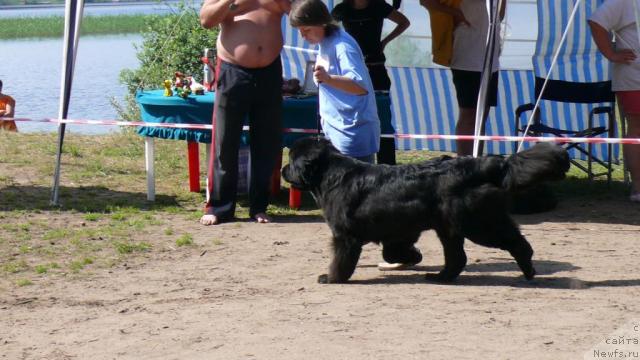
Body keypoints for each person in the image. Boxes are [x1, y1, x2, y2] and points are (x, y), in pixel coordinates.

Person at [199, 0, 291, 225]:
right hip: (232, 71)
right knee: (225, 140)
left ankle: (259, 206)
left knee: (266, 142)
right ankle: (219, 207)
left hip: (270, 71)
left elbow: (302, 15)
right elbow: (206, 21)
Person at [290, 0, 381, 164]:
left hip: (352, 134)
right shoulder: (324, 42)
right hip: (336, 131)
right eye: (300, 31)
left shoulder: (343, 46)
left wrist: (328, 79)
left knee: (358, 189)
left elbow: (360, 86)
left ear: (322, 22)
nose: (303, 35)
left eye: (306, 30)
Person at [422, 0, 505, 156]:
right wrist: (456, 13)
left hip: (490, 56)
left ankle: (476, 161)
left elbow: (499, 16)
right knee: (469, 113)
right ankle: (464, 162)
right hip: (466, 54)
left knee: (483, 113)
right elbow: (426, 2)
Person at [332, 0, 410, 165]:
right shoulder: (342, 9)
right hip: (351, 73)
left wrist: (385, 41)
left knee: (382, 119)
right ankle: (353, 163)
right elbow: (327, 30)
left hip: (376, 70)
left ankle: (387, 166)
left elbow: (404, 22)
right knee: (353, 117)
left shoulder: (379, 6)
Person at [589, 0, 640, 202]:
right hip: (634, 78)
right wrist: (610, 54)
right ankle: (638, 187)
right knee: (637, 128)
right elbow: (596, 21)